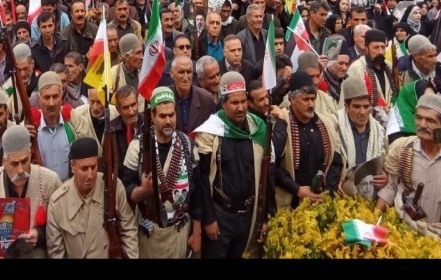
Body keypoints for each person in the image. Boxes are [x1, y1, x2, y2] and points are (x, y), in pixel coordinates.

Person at [377, 94, 441, 258]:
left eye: (430, 120)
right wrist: (374, 220)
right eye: (419, 118)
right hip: (403, 231)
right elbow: (391, 187)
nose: (422, 125)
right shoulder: (401, 148)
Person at [195, 72, 273, 259]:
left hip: (248, 215)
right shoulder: (210, 132)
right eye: (234, 103)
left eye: (243, 101)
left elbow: (268, 173)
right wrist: (209, 218)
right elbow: (202, 180)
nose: (240, 108)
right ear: (223, 103)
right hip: (221, 215)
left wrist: (267, 215)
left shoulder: (258, 128)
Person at [122, 86, 203, 258]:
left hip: (179, 230)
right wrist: (143, 191)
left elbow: (197, 192)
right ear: (152, 117)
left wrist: (197, 232)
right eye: (162, 116)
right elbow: (126, 191)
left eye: (171, 115)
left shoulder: (187, 145)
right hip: (150, 234)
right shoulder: (137, 147)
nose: (168, 121)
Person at [0, 125, 61, 258]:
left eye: (24, 161)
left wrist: (39, 234)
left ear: (30, 154)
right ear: (4, 162)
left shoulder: (49, 180)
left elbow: (60, 224)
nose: (21, 170)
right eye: (14, 164)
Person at [46, 137, 139, 258]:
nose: (90, 175)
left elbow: (129, 229)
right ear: (72, 166)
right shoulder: (58, 202)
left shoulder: (113, 187)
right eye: (84, 169)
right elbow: (56, 252)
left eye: (93, 167)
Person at [273, 72, 342, 209]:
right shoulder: (281, 122)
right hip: (289, 204)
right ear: (292, 99)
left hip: (320, 201)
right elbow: (273, 165)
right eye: (305, 99)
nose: (311, 104)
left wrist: (327, 191)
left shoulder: (325, 123)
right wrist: (297, 189)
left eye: (313, 99)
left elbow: (336, 161)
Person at [335, 78, 388, 182]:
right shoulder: (335, 127)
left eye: (366, 106)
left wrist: (385, 177)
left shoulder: (379, 132)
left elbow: (385, 164)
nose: (363, 112)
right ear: (346, 107)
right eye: (357, 107)